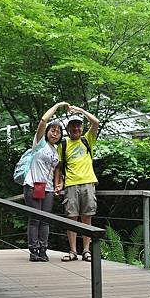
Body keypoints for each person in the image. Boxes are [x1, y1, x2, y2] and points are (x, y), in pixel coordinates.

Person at [54, 105, 100, 262]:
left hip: (88, 183)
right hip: (71, 185)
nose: (76, 128)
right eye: (73, 126)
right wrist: (58, 183)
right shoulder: (64, 145)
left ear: (82, 128)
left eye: (78, 125)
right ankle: (73, 251)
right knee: (71, 218)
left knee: (87, 218)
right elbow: (59, 167)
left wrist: (80, 111)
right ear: (68, 128)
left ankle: (86, 251)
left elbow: (96, 122)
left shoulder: (88, 140)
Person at [24, 102, 68, 261]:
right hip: (33, 185)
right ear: (47, 132)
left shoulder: (57, 150)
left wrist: (59, 183)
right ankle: (33, 251)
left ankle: (43, 249)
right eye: (53, 130)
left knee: (45, 220)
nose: (55, 134)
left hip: (48, 188)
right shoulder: (39, 143)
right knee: (35, 219)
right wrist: (58, 106)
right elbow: (43, 120)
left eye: (58, 132)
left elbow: (57, 168)